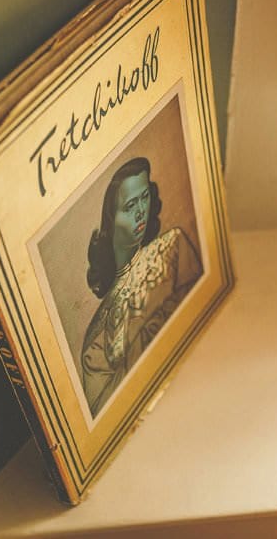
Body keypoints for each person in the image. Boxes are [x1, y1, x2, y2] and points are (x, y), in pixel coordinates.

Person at [81, 157, 202, 416]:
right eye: (129, 205)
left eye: (144, 197)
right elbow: (103, 409)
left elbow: (198, 304)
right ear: (111, 220)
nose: (140, 212)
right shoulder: (97, 332)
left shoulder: (172, 248)